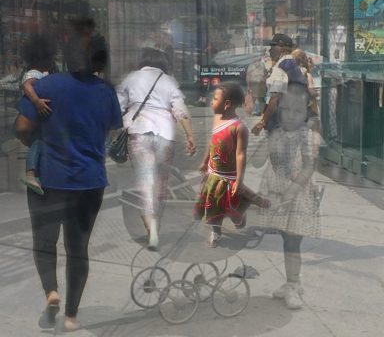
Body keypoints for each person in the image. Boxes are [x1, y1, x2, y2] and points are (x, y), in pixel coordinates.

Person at [14, 18, 122, 332]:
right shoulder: (105, 92)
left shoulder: (46, 86)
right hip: (89, 182)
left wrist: (35, 139)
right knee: (79, 249)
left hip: (48, 180)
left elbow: (22, 128)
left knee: (44, 243)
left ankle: (51, 292)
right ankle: (72, 316)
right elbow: (113, 127)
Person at [116, 47, 196, 250]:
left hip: (139, 135)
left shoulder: (131, 79)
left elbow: (117, 108)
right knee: (160, 185)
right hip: (165, 136)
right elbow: (180, 111)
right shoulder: (169, 81)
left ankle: (150, 228)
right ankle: (156, 228)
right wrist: (189, 135)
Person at [256, 83, 321, 309]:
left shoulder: (305, 135)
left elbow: (309, 166)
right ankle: (291, 281)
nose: (291, 116)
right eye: (286, 110)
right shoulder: (277, 133)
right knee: (286, 240)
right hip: (278, 195)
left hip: (296, 199)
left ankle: (293, 284)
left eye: (297, 111)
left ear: (306, 113)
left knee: (293, 242)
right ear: (278, 110)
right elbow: (257, 161)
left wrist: (292, 190)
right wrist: (266, 142)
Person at [193, 82, 270, 248]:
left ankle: (246, 205)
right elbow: (212, 141)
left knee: (234, 212)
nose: (211, 102)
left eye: (215, 99)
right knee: (213, 206)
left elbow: (240, 154)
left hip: (229, 177)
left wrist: (239, 180)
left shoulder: (239, 128)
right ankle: (216, 232)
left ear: (227, 104)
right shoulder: (216, 120)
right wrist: (205, 160)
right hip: (213, 174)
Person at [19, 32, 57, 195]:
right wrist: (36, 101)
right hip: (37, 114)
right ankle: (30, 173)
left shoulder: (41, 72)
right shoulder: (34, 73)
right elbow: (27, 86)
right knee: (38, 142)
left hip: (39, 118)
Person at [251, 33, 306, 136]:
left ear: (282, 48)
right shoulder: (292, 65)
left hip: (280, 125)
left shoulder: (281, 68)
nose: (270, 50)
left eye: (273, 46)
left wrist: (262, 123)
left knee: (277, 152)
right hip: (293, 122)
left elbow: (275, 99)